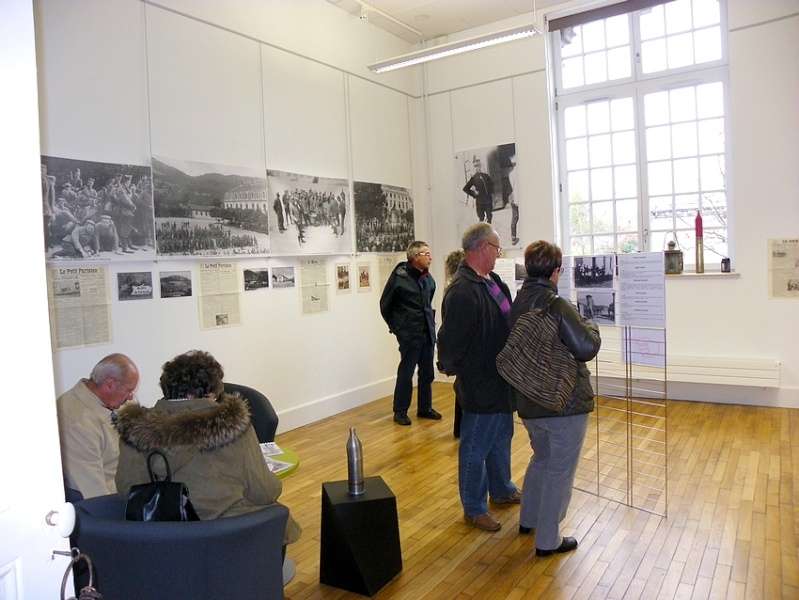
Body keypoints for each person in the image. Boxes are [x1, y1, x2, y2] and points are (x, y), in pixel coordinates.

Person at [114, 350, 301, 552]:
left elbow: (127, 492)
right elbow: (263, 492)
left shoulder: (135, 429)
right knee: (279, 515)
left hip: (164, 537)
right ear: (211, 392)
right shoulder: (234, 425)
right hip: (229, 534)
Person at [510, 240, 601, 556]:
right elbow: (586, 348)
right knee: (561, 469)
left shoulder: (518, 302)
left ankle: (529, 519)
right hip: (564, 404)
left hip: (530, 401)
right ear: (556, 271)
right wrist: (590, 323)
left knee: (542, 458)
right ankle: (548, 540)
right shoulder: (557, 304)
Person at [437, 222, 520, 531]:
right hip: (481, 382)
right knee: (475, 447)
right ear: (483, 248)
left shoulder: (494, 281)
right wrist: (449, 365)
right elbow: (450, 340)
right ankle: (474, 506)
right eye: (497, 248)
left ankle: (501, 489)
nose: (499, 254)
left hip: (502, 379)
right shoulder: (462, 290)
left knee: (501, 438)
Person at [56, 353, 140, 499]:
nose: (131, 397)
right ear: (110, 385)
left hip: (136, 489)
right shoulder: (75, 421)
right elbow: (94, 493)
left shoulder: (124, 404)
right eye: (129, 391)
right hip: (113, 502)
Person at [380, 241, 441, 426]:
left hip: (426, 332)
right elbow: (385, 305)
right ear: (416, 257)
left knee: (427, 373)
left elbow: (428, 302)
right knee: (406, 373)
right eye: (426, 254)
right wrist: (398, 328)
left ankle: (425, 408)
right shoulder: (400, 278)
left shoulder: (428, 279)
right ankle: (400, 411)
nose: (430, 258)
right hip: (409, 334)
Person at [443, 248, 465, 438]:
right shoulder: (457, 290)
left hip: (458, 347)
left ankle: (459, 428)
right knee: (462, 388)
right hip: (461, 348)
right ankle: (459, 428)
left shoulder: (451, 287)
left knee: (461, 387)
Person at [462, 158, 495, 223]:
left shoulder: (486, 176)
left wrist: (490, 194)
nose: (477, 168)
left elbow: (491, 185)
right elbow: (465, 189)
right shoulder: (473, 178)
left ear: (480, 166)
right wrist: (474, 194)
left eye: (478, 165)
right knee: (481, 219)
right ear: (473, 168)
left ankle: (488, 230)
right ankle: (482, 231)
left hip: (488, 201)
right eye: (475, 166)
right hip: (480, 202)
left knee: (489, 217)